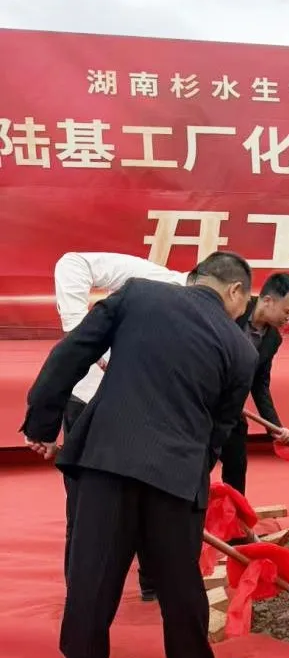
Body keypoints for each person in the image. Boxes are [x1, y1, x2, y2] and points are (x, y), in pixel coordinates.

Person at [21, 251, 259, 658]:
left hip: (108, 458)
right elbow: (220, 429)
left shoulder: (138, 296)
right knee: (180, 584)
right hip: (176, 475)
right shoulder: (241, 349)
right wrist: (194, 474)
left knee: (92, 576)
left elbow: (71, 354)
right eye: (244, 303)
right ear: (235, 290)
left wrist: (43, 425)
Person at [53, 251, 195, 599]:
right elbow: (72, 263)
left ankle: (152, 580)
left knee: (151, 492)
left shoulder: (210, 321)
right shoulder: (153, 281)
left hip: (145, 410)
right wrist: (82, 339)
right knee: (85, 503)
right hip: (89, 403)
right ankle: (81, 590)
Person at [218, 272, 289, 496]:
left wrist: (275, 427)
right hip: (202, 402)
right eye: (287, 312)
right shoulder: (233, 309)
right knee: (198, 463)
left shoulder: (273, 339)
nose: (288, 318)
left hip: (232, 408)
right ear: (268, 301)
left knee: (236, 465)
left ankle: (235, 513)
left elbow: (260, 383)